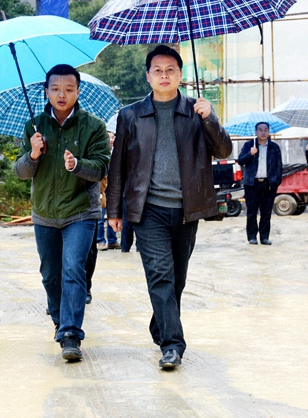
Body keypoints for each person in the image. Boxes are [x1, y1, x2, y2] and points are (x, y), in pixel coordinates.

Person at [107, 45, 232, 369]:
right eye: (158, 70)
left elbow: (224, 151)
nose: (164, 75)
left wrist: (210, 118)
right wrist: (114, 211)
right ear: (148, 76)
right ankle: (172, 345)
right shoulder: (130, 115)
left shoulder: (197, 111)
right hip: (148, 209)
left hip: (187, 209)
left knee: (177, 279)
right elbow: (118, 166)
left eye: (170, 70)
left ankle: (160, 326)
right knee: (160, 275)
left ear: (180, 74)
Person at [15, 64, 110, 362]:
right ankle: (60, 322)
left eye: (69, 89)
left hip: (80, 211)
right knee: (50, 275)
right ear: (46, 91)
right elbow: (21, 172)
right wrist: (33, 154)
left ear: (78, 92)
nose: (61, 94)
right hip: (44, 212)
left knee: (73, 269)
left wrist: (77, 165)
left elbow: (101, 167)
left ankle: (71, 334)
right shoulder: (34, 126)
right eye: (55, 89)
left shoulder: (93, 126)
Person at [237, 122, 283, 245]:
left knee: (266, 212)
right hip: (252, 184)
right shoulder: (248, 145)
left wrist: (276, 181)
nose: (263, 132)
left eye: (265, 130)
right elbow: (240, 161)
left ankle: (264, 237)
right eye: (260, 130)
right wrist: (250, 153)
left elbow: (279, 166)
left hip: (268, 184)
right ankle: (252, 237)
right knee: (251, 212)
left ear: (268, 131)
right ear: (256, 131)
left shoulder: (274, 147)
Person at [96, 131, 120, 250]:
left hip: (113, 189)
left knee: (113, 214)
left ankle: (112, 240)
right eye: (109, 138)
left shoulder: (116, 153)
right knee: (100, 216)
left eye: (113, 137)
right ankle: (100, 240)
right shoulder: (100, 153)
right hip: (102, 188)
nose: (111, 140)